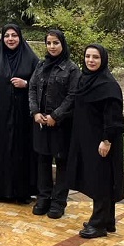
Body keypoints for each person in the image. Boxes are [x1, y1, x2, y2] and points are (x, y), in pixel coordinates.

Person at [67, 44, 124, 239]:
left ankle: (98, 224)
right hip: (88, 139)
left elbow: (113, 117)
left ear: (103, 60)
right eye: (88, 56)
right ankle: (107, 220)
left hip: (103, 141)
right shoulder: (85, 79)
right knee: (97, 178)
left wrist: (107, 140)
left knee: (102, 180)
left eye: (96, 57)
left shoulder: (107, 85)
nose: (91, 61)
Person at [0, 23, 40, 203]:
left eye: (14, 35)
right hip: (0, 115)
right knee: (2, 150)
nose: (10, 39)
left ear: (20, 37)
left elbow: (41, 83)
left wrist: (26, 84)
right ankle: (1, 190)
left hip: (23, 117)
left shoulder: (31, 59)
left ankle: (22, 192)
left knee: (21, 152)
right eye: (7, 36)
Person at [28, 28, 79, 219]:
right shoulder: (41, 65)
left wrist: (55, 116)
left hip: (62, 125)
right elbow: (32, 88)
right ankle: (44, 198)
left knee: (62, 162)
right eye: (49, 43)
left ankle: (58, 202)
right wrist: (35, 112)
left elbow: (73, 96)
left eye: (55, 43)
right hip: (41, 122)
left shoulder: (71, 69)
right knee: (43, 160)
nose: (52, 47)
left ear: (62, 44)